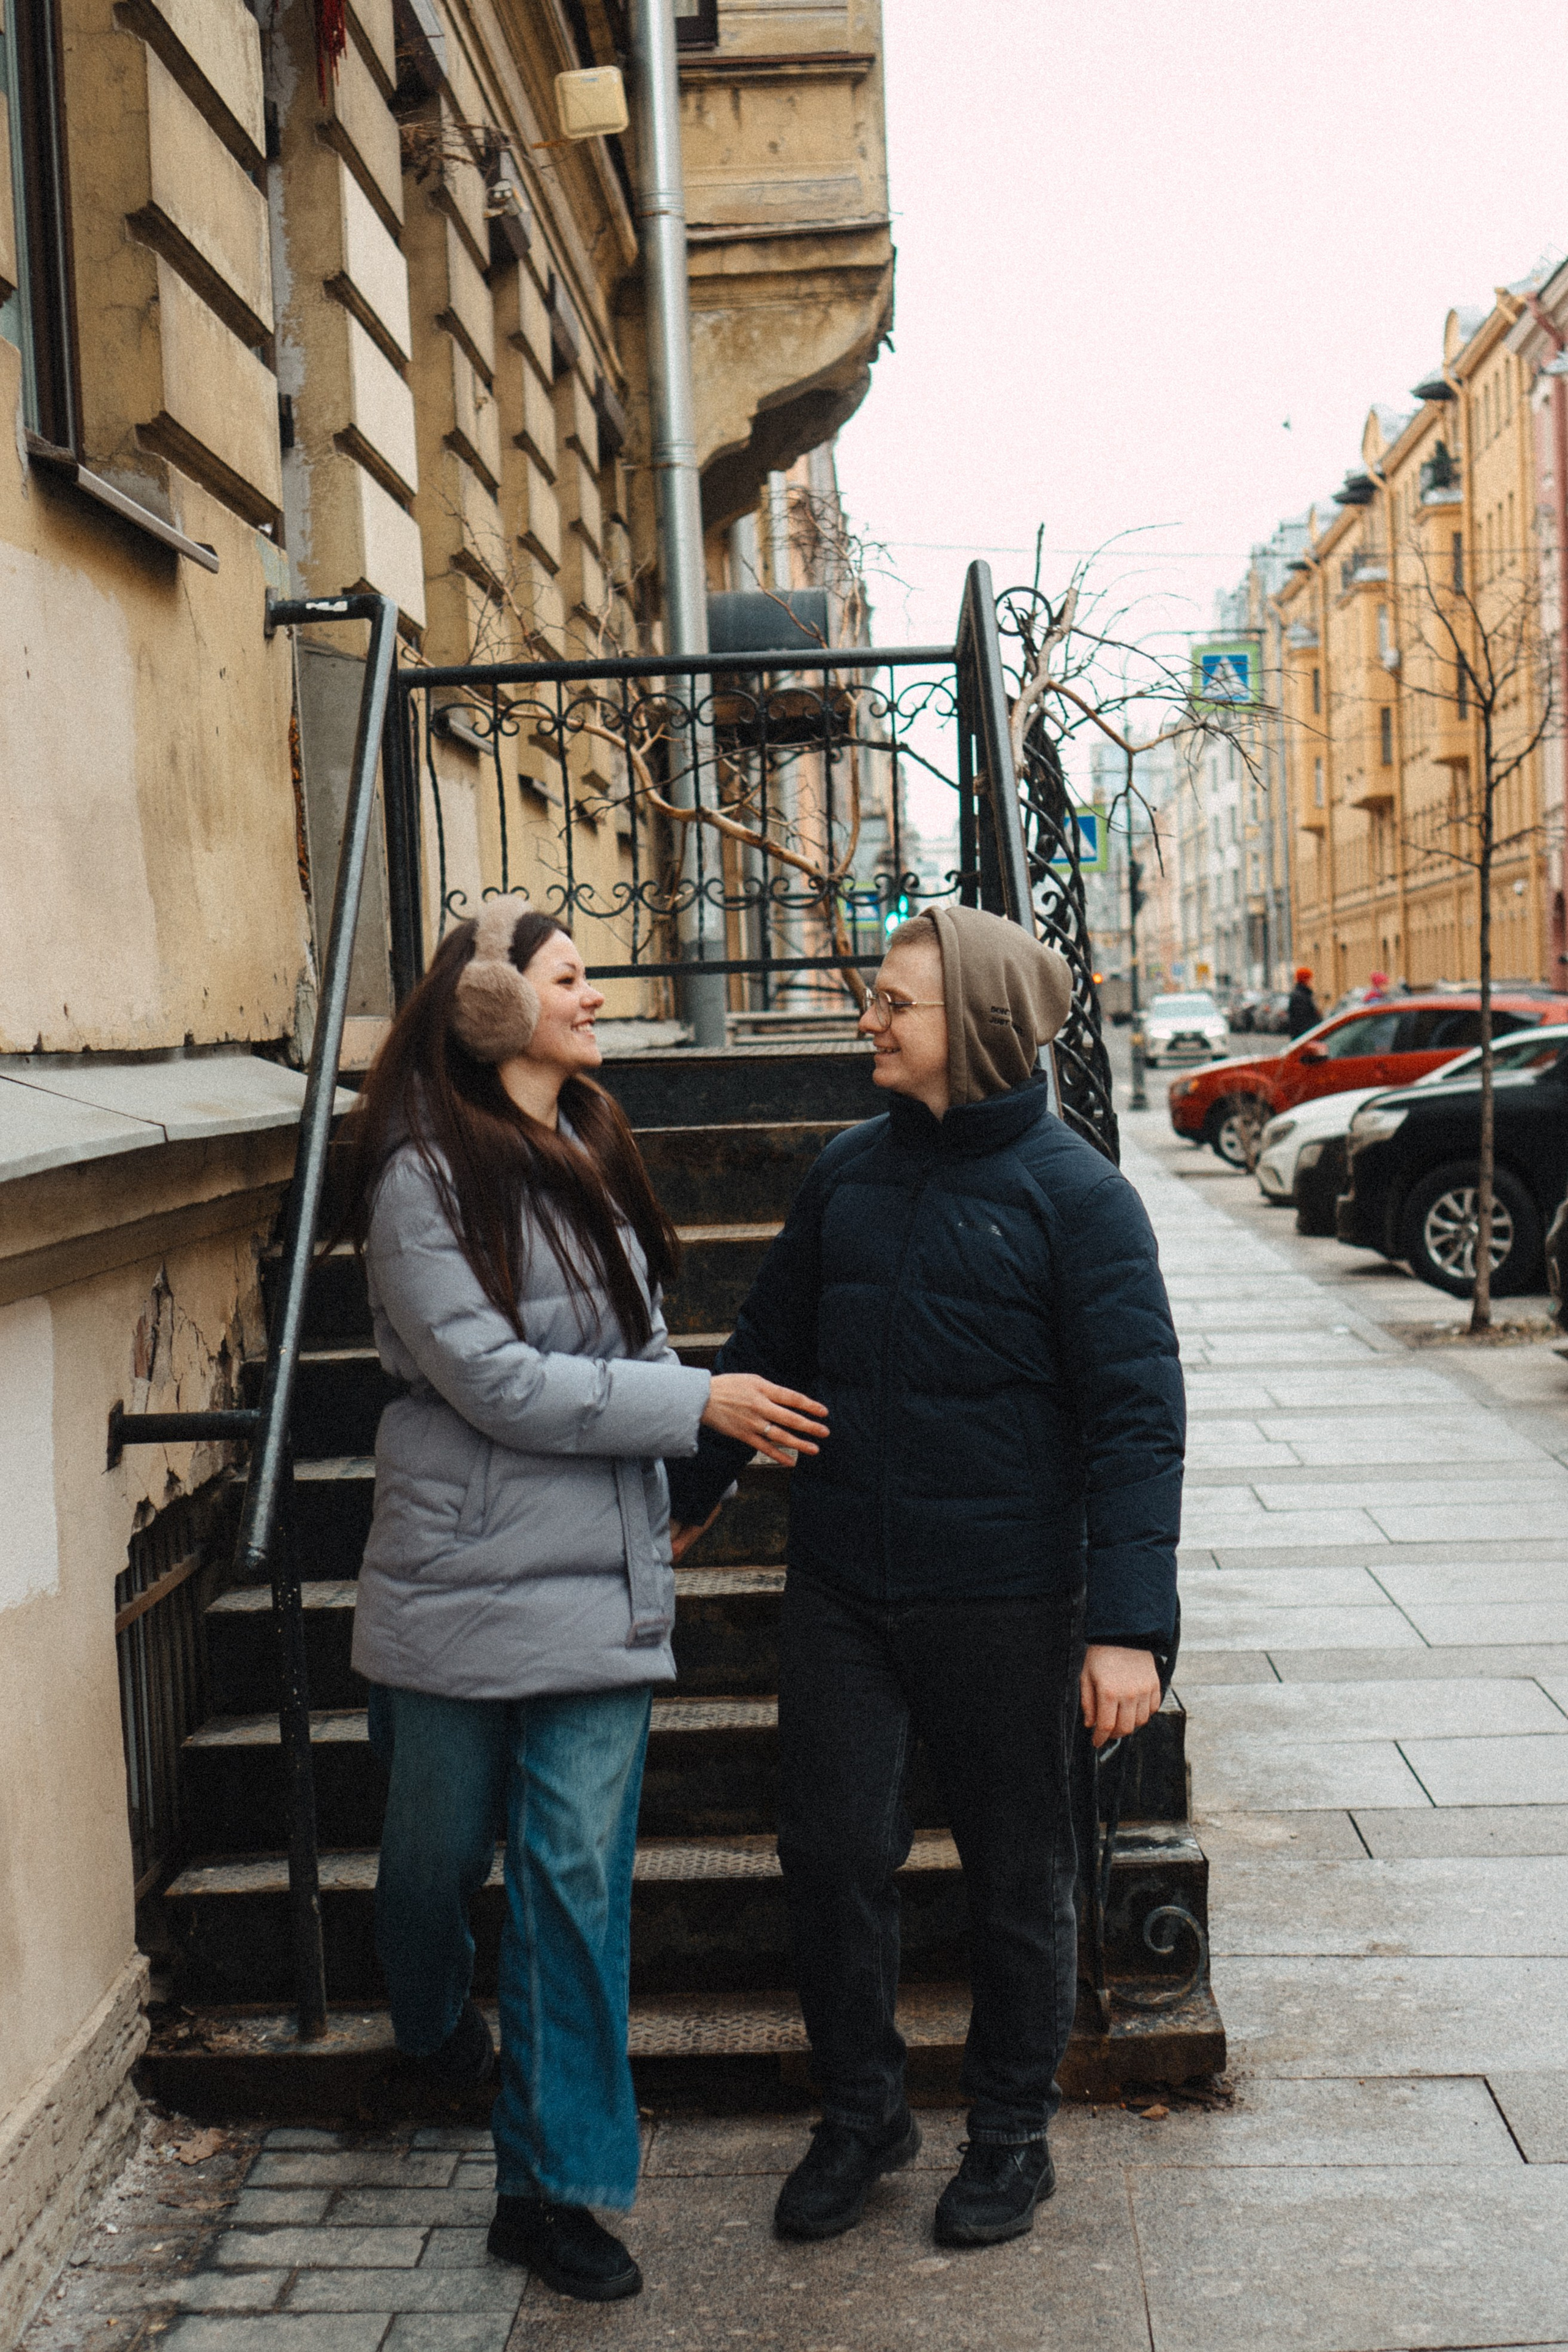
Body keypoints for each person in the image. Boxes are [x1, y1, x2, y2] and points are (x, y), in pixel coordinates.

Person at [667, 905, 1183, 2251]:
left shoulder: (1080, 1200)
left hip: (1008, 1594)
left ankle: (1010, 2133)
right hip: (844, 1583)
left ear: (980, 1027)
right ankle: (862, 2114)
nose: (869, 1021)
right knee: (830, 1850)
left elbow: (1137, 1421)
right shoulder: (848, 1172)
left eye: (895, 1003)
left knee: (1019, 1871)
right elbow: (766, 1345)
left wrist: (1127, 1627)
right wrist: (693, 1490)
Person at [338, 902, 825, 2304]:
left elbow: (637, 1344)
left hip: (601, 1582)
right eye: (570, 977)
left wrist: (697, 1465)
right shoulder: (419, 1177)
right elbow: (492, 1381)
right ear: (493, 1006)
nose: (597, 995)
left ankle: (550, 2192)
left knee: (568, 1884)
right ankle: (432, 2025)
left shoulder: (594, 1141)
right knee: (430, 1862)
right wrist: (693, 1403)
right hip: (455, 1581)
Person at [1287, 965, 1319, 1038]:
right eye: (1310, 979)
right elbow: (1302, 1020)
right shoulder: (1301, 996)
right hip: (1305, 1035)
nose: (1311, 982)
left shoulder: (1303, 994)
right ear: (1306, 980)